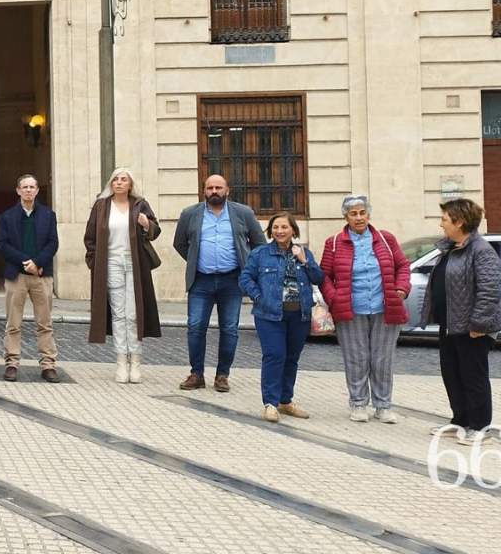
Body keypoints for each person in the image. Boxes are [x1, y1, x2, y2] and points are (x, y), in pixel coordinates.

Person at [422, 198, 501, 445]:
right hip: (450, 323)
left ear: (459, 222)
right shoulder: (451, 248)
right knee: (453, 373)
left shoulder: (481, 250)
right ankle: (461, 420)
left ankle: (480, 427)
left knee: (473, 376)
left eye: (445, 219)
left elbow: (490, 290)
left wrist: (479, 324)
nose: (441, 224)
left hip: (472, 328)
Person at [321, 195, 411, 423]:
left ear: (369, 215)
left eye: (362, 213)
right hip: (351, 309)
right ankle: (359, 404)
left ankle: (383, 406)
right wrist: (334, 298)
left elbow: (403, 266)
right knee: (356, 358)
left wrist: (401, 288)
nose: (359, 217)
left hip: (385, 307)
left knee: (383, 359)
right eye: (353, 214)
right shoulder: (333, 242)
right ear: (346, 217)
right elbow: (324, 277)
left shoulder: (385, 239)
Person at [172, 174, 265, 392]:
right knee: (195, 327)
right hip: (200, 280)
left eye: (219, 187)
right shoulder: (190, 214)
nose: (214, 191)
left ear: (227, 190)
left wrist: (247, 266)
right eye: (210, 187)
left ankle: (222, 375)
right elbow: (179, 243)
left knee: (230, 328)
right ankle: (196, 374)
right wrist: (196, 259)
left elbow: (259, 243)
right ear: (204, 191)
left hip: (232, 281)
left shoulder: (243, 213)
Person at [239, 213, 322, 422]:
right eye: (275, 227)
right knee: (274, 355)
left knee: (291, 358)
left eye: (284, 227)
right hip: (269, 315)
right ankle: (270, 403)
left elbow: (318, 277)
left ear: (293, 230)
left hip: (299, 314)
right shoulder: (260, 254)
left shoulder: (304, 253)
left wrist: (305, 261)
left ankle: (286, 400)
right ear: (270, 231)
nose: (280, 231)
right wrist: (258, 297)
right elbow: (245, 278)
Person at [84, 168, 162, 383]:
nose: (119, 183)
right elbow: (89, 237)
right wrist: (94, 262)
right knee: (118, 314)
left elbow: (155, 230)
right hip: (111, 263)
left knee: (133, 313)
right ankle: (120, 362)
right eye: (115, 179)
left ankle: (135, 362)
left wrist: (147, 225)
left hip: (135, 263)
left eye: (123, 179)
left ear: (130, 184)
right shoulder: (101, 206)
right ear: (111, 183)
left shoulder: (140, 204)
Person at [0, 174, 59, 383]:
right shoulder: (7, 216)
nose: (29, 190)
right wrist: (26, 262)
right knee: (13, 323)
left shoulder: (48, 215)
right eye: (25, 187)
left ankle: (48, 364)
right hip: (17, 276)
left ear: (37, 191)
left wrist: (38, 263)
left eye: (32, 187)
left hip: (42, 276)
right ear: (18, 190)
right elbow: (3, 245)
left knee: (45, 322)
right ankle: (12, 363)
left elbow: (53, 243)